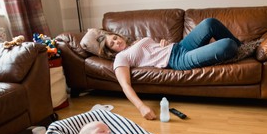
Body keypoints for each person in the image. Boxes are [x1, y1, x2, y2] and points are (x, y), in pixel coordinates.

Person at [97, 18, 241, 120]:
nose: (117, 41)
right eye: (112, 43)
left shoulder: (134, 43)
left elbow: (152, 49)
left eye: (115, 37)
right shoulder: (121, 58)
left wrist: (162, 42)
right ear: (111, 51)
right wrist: (141, 107)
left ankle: (243, 47)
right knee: (227, 45)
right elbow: (125, 85)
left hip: (180, 46)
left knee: (210, 23)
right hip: (177, 60)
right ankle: (238, 48)